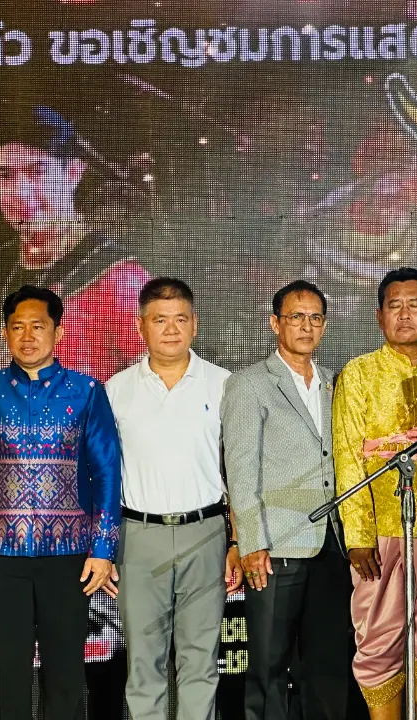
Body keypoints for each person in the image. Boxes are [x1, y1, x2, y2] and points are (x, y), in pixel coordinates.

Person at [0, 285, 121, 720]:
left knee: (65, 677)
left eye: (38, 326)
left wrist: (103, 549)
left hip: (70, 557)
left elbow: (107, 472)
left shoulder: (86, 391)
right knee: (8, 675)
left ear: (58, 332)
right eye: (17, 327)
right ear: (5, 333)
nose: (27, 336)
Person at [105, 277, 241, 720]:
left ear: (194, 324)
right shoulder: (115, 389)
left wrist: (236, 541)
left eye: (180, 319)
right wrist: (103, 548)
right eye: (160, 320)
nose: (171, 329)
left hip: (206, 533)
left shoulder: (224, 384)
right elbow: (101, 474)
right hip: (137, 535)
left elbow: (238, 471)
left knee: (200, 659)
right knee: (144, 661)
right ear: (140, 325)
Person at [223, 279, 355, 720]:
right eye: (296, 317)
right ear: (275, 323)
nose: (306, 326)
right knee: (268, 666)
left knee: (327, 665)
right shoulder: (249, 384)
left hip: (331, 543)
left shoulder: (335, 382)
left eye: (315, 318)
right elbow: (241, 470)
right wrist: (251, 543)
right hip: (275, 545)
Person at [332, 268, 417, 720]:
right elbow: (347, 456)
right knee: (379, 636)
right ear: (379, 316)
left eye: (414, 305)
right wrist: (357, 535)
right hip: (382, 527)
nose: (405, 315)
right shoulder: (360, 373)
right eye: (394, 306)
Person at [0, 103, 151, 381]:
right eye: (4, 176)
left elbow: (162, 389)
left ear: (73, 173)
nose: (20, 192)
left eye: (37, 171)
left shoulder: (117, 279)